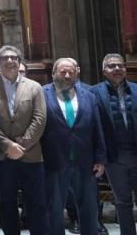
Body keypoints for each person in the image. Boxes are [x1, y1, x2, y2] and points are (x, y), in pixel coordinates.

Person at [90, 53, 137, 235]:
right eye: (111, 66)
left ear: (125, 69)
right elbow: (92, 128)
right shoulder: (93, 93)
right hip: (114, 158)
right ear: (104, 71)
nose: (117, 69)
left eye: (120, 65)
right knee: (122, 203)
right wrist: (99, 157)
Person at [0, 45, 47, 235]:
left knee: (36, 203)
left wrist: (22, 145)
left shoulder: (34, 87)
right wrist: (8, 145)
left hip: (31, 155)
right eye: (5, 58)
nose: (10, 61)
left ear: (19, 62)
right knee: (7, 203)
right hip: (2, 156)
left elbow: (40, 118)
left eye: (14, 58)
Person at [41, 58, 106, 235]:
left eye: (71, 72)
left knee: (89, 208)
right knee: (54, 210)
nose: (67, 75)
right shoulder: (41, 94)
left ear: (76, 73)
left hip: (84, 161)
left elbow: (96, 128)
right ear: (54, 73)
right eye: (63, 72)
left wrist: (100, 158)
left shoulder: (89, 96)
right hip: (53, 161)